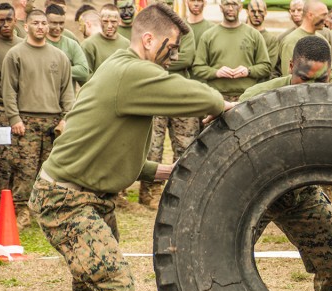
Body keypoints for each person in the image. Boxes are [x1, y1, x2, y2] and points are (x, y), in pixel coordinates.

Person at [28, 3, 229, 291]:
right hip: (65, 199)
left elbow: (110, 145)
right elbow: (202, 96)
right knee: (114, 283)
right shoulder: (132, 71)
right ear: (149, 39)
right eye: (170, 49)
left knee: (90, 279)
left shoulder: (123, 67)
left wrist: (162, 170)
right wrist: (222, 106)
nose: (173, 59)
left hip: (90, 196)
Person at [167, 36, 332, 291]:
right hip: (254, 193)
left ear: (331, 75)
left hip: (300, 194)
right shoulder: (259, 98)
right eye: (303, 79)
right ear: (289, 67)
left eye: (320, 81)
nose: (309, 88)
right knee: (218, 257)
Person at [2, 9, 74, 230]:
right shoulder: (15, 54)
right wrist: (15, 118)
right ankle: (22, 211)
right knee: (24, 169)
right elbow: (9, 91)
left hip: (53, 124)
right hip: (26, 121)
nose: (41, 27)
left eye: (44, 23)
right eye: (36, 23)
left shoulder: (59, 57)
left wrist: (66, 119)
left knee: (52, 170)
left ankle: (48, 212)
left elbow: (67, 93)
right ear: (27, 26)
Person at [140, 0, 198, 209]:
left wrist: (160, 57)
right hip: (155, 91)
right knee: (152, 145)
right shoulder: (150, 30)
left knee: (185, 144)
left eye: (170, 2)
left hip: (180, 92)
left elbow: (187, 58)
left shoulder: (186, 31)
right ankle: (150, 192)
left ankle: (182, 191)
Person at [193, 0, 271, 101]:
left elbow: (266, 67)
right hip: (217, 97)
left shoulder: (254, 35)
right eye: (227, 4)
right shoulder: (208, 36)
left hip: (247, 97)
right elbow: (198, 68)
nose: (230, 8)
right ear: (221, 7)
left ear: (240, 7)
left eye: (234, 4)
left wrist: (248, 71)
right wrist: (216, 72)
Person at [0, 2, 22, 218]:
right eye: (0, 20)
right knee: (0, 161)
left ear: (15, 21)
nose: (4, 24)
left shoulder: (22, 46)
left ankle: (17, 206)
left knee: (19, 161)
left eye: (8, 20)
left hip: (20, 111)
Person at [278, 0, 332, 81]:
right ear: (310, 15)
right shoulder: (291, 41)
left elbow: (330, 71)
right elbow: (288, 77)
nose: (327, 19)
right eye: (323, 15)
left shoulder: (322, 40)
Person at [45, 4, 90, 90]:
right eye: (54, 23)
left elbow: (84, 71)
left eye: (61, 23)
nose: (58, 28)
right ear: (46, 22)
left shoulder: (72, 44)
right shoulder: (39, 42)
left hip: (67, 100)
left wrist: (56, 68)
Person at [81, 4, 130, 73]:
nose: (109, 26)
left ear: (119, 21)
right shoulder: (88, 45)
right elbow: (85, 75)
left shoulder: (127, 44)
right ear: (100, 21)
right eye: (105, 21)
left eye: (113, 22)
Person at [247, 0, 279, 73]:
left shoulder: (271, 39)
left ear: (265, 13)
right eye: (253, 11)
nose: (256, 15)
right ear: (247, 12)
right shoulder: (241, 34)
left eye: (260, 11)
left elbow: (269, 67)